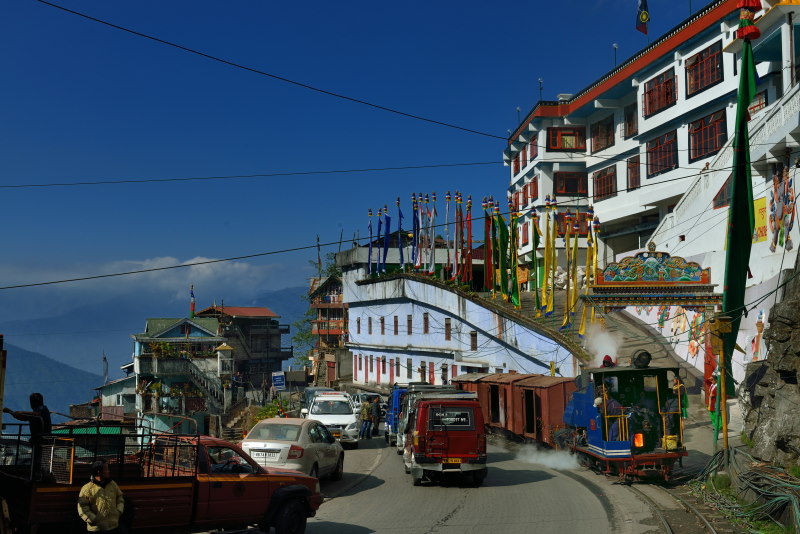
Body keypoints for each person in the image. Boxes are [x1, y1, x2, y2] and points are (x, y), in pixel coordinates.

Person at [4, 392, 52, 480]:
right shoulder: (41, 410)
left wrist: (15, 412)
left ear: (33, 402)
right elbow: (22, 416)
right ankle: (38, 477)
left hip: (42, 441)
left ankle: (40, 478)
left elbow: (25, 416)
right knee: (38, 460)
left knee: (39, 461)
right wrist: (12, 412)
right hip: (40, 440)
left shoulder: (41, 411)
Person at [77, 459, 125, 533]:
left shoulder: (112, 484)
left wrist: (119, 511)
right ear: (99, 472)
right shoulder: (87, 488)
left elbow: (120, 497)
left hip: (113, 526)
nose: (108, 471)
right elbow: (82, 507)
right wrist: (93, 519)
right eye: (106, 469)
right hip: (96, 529)